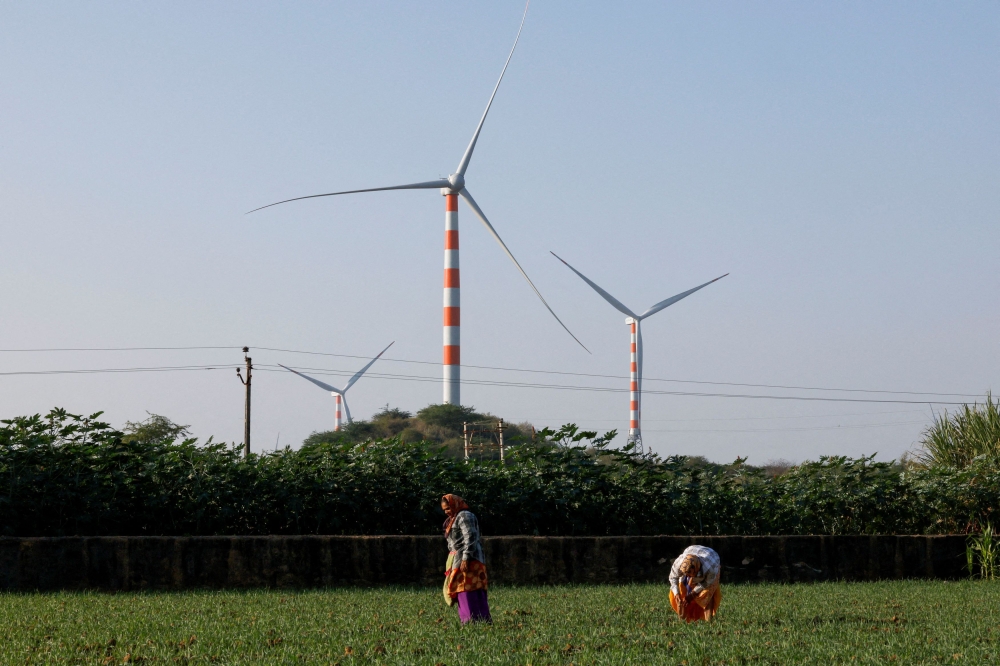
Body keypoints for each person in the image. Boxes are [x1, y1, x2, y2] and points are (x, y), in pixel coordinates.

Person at [440, 494, 491, 624]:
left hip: (470, 559)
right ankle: (469, 620)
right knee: (461, 589)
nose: (447, 512)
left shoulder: (464, 516)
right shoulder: (453, 519)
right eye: (445, 510)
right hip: (459, 558)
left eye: (448, 508)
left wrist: (466, 558)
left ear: (455, 504)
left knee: (469, 588)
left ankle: (475, 620)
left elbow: (471, 536)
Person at [668, 545, 722, 622]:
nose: (688, 577)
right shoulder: (679, 563)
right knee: (682, 592)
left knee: (707, 594)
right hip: (692, 551)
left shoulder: (711, 569)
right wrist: (677, 594)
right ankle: (682, 620)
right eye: (686, 575)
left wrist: (693, 594)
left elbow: (707, 582)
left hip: (712, 559)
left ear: (697, 570)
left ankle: (709, 621)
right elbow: (673, 578)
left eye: (690, 575)